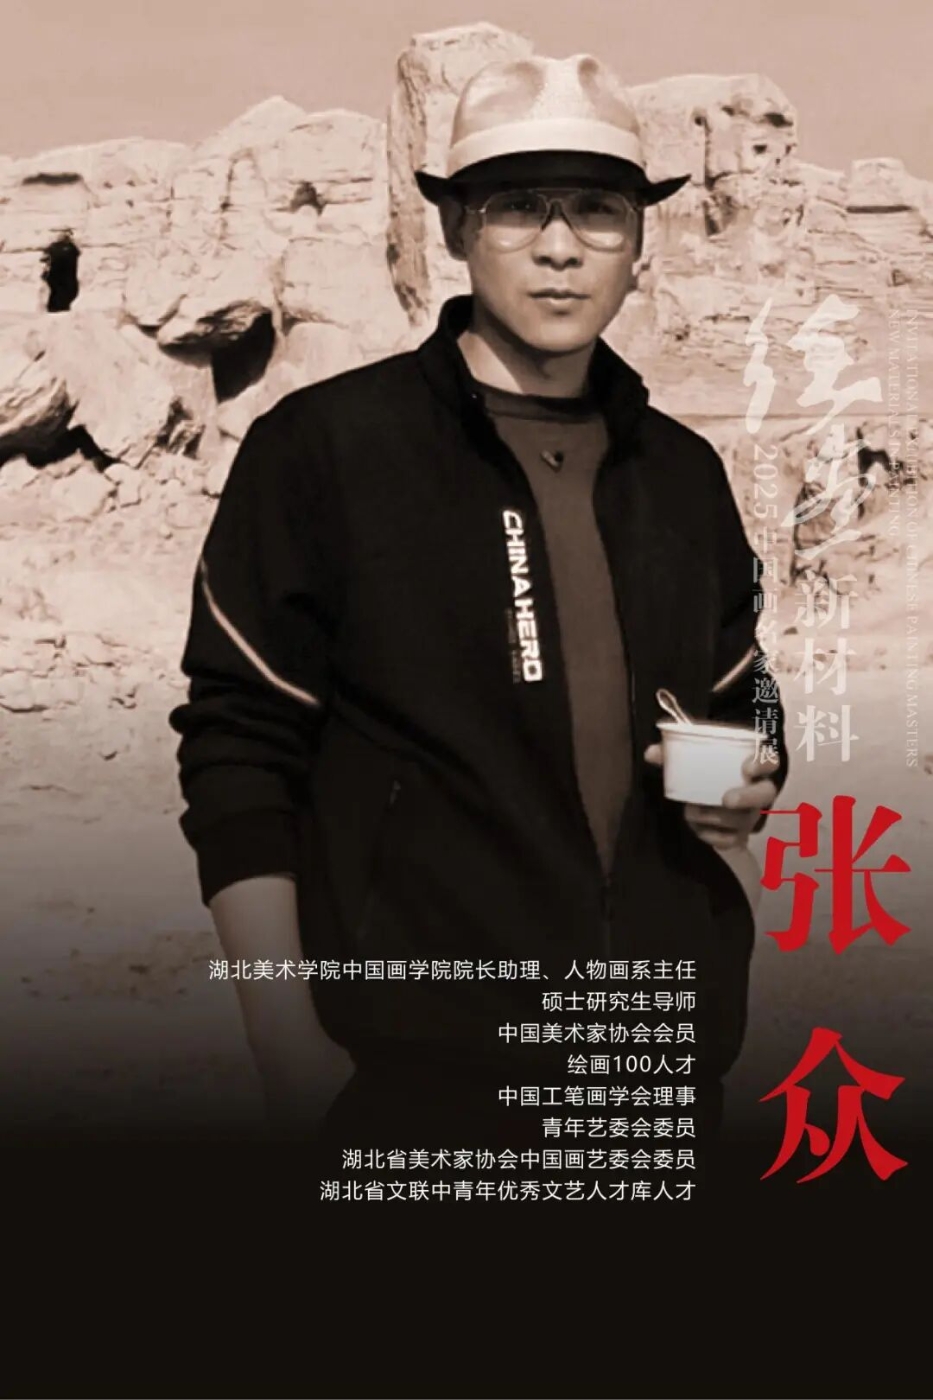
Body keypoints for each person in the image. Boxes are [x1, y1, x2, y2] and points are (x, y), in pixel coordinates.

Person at [168, 52, 789, 1195]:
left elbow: (742, 687)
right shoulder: (325, 449)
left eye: (597, 209)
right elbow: (239, 745)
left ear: (639, 241)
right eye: (518, 206)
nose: (561, 246)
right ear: (456, 227)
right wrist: (285, 1043)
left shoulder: (681, 471)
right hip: (410, 1071)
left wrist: (750, 771)